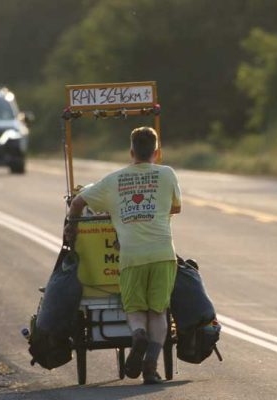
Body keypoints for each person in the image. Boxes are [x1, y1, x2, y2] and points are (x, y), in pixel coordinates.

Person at [64, 126, 181, 384]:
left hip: (131, 256)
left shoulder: (113, 180)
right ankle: (150, 364)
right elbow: (175, 207)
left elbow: (77, 204)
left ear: (131, 152)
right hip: (163, 253)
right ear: (157, 152)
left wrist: (72, 226)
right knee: (159, 312)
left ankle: (138, 334)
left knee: (135, 309)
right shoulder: (167, 174)